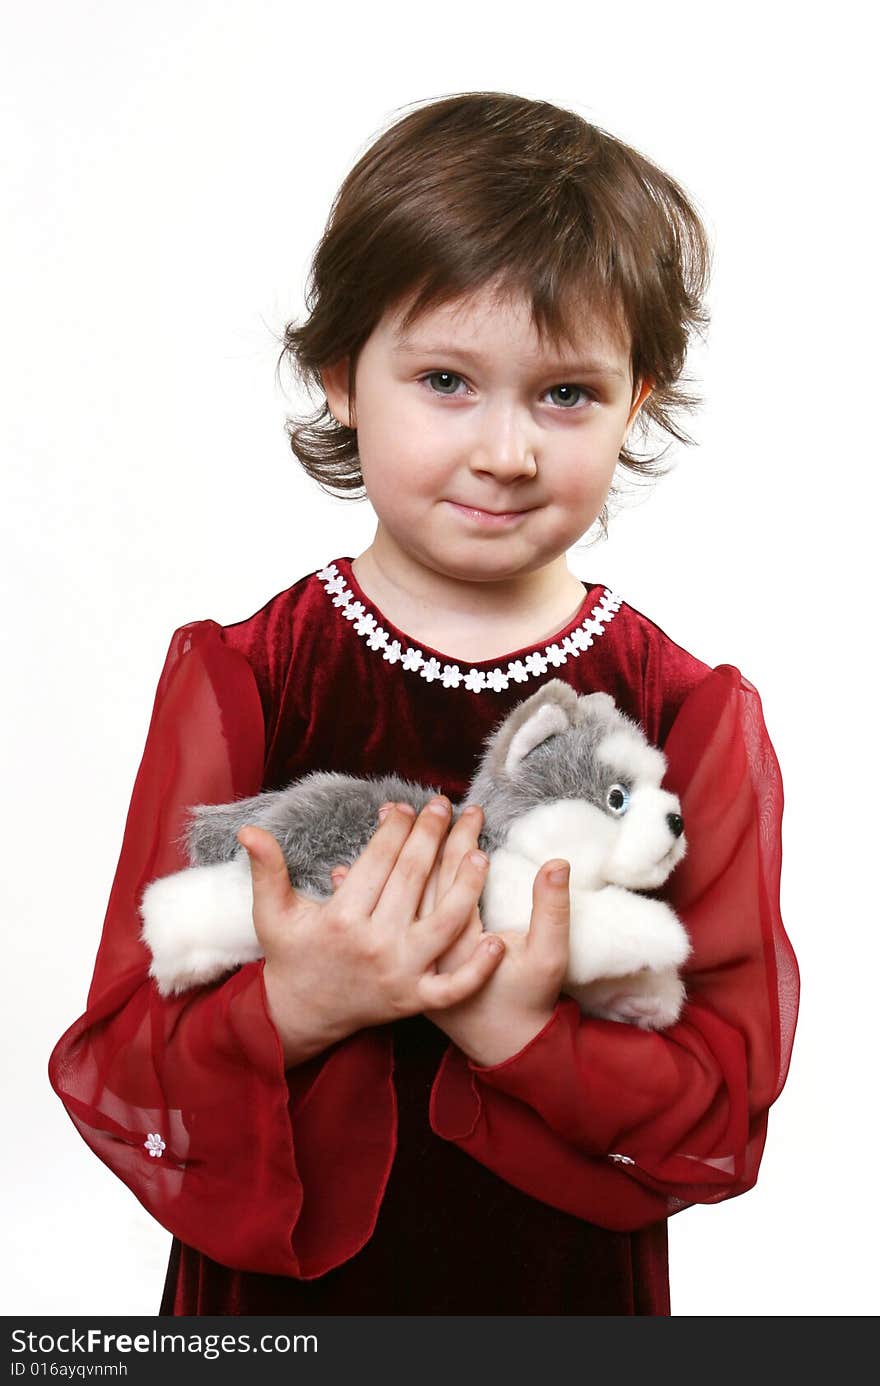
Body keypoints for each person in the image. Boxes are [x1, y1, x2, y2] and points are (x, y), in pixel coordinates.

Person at [48, 91, 799, 1316]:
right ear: (341, 376)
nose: (506, 450)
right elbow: (119, 1061)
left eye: (566, 394)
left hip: (559, 1298)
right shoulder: (249, 672)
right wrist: (301, 1001)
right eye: (447, 380)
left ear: (638, 400)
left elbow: (721, 1109)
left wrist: (516, 1030)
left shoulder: (686, 712)